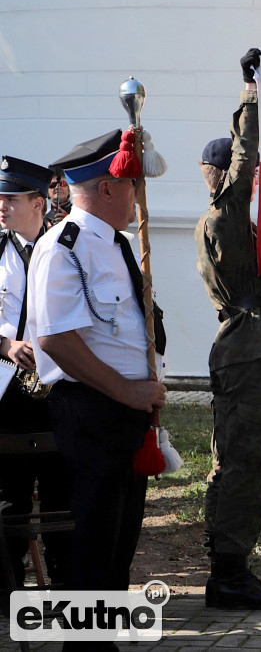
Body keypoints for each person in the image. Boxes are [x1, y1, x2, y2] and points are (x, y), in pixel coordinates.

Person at [27, 129, 167, 608]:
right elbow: (56, 339)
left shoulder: (117, 244)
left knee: (118, 550)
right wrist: (126, 392)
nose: (137, 192)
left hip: (126, 414)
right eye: (130, 183)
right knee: (93, 548)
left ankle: (102, 639)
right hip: (92, 411)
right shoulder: (62, 246)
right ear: (106, 187)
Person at [195, 47, 261, 610]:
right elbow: (247, 155)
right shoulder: (225, 212)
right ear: (219, 172)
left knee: (240, 458)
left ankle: (230, 568)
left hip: (249, 344)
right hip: (246, 350)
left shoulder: (229, 224)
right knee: (245, 462)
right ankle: (229, 575)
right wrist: (250, 90)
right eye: (228, 167)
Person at [0, 156, 71, 592]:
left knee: (63, 492)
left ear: (38, 202)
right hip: (9, 390)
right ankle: (7, 588)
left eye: (10, 198)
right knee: (10, 496)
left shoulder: (66, 248)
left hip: (60, 387)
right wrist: (6, 346)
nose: (1, 205)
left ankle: (68, 586)